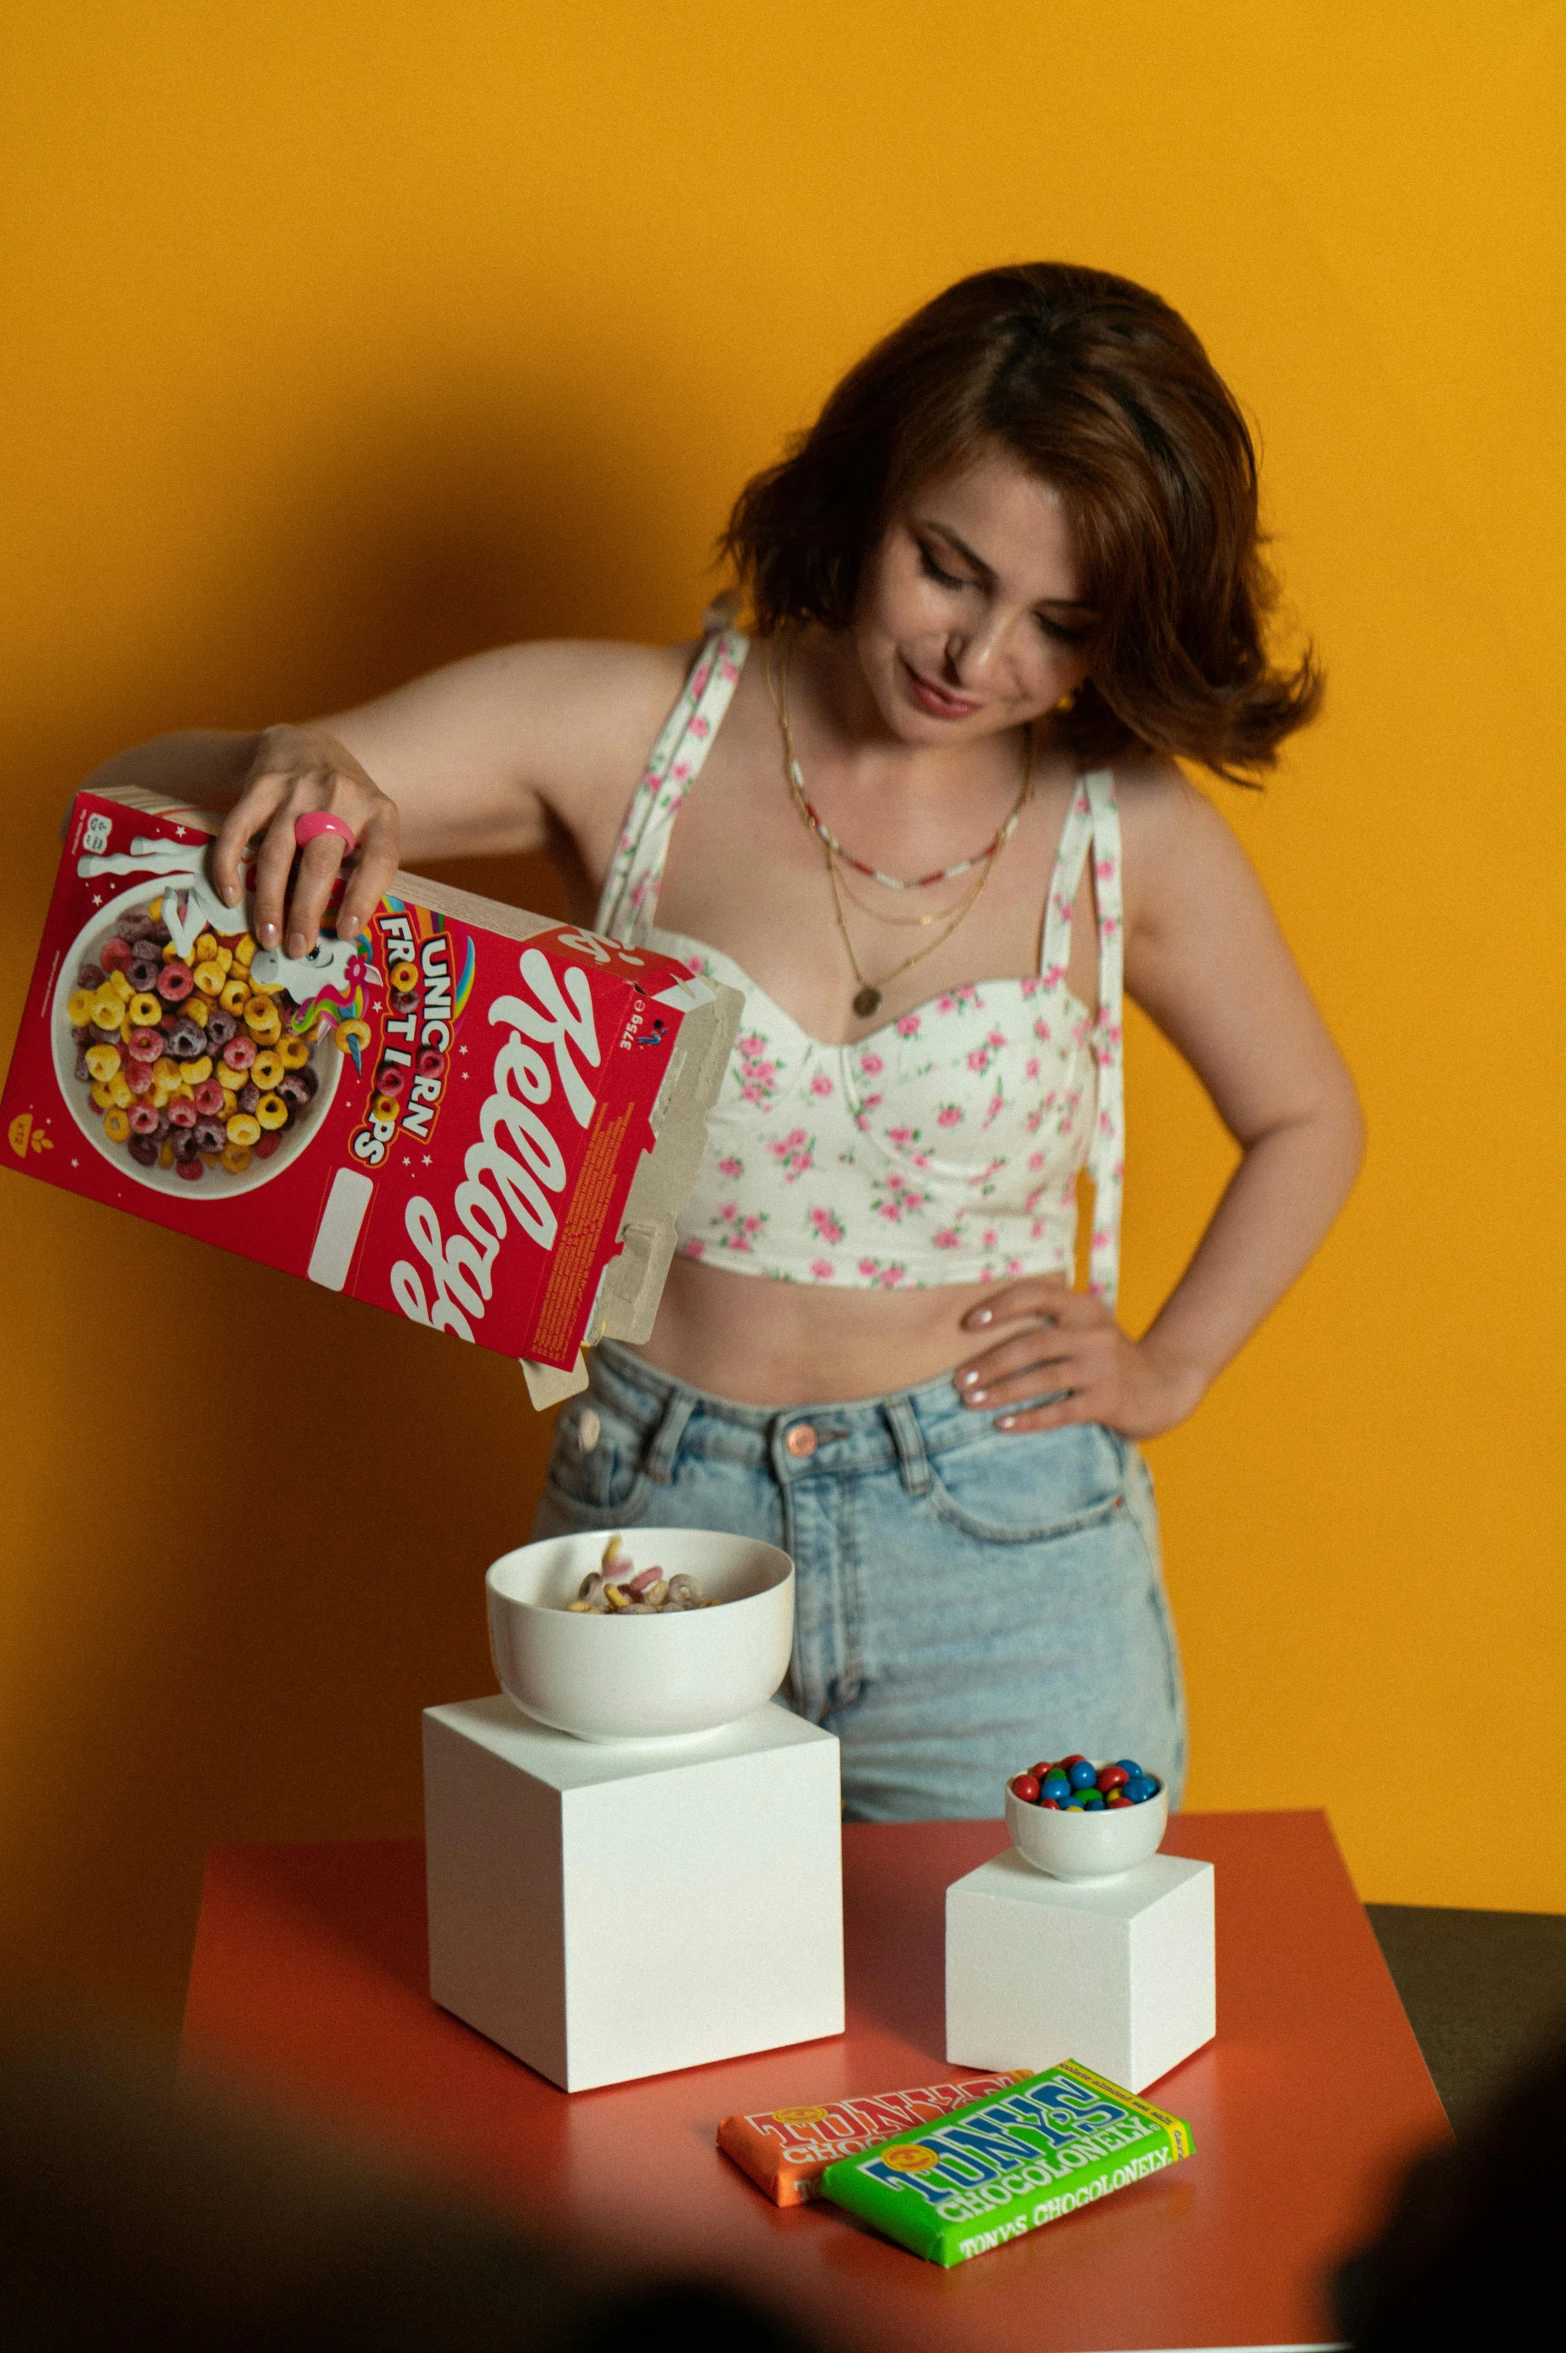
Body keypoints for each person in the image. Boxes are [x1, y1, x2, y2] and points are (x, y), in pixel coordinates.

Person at [90, 264, 1363, 1819]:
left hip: (1007, 1547)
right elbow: (143, 802)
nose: (977, 657)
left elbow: (1306, 1115)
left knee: (1030, 2045)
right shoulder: (628, 734)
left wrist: (1171, 1364)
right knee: (645, 2037)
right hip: (654, 1515)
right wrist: (296, 760)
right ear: (868, 488)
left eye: (1061, 623)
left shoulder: (1126, 833)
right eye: (946, 568)